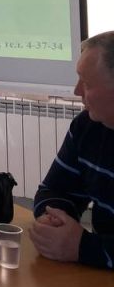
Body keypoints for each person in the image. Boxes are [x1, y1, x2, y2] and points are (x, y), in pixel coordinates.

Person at [29, 31, 114, 270]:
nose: (76, 91)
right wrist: (56, 221)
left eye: (86, 83)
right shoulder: (87, 126)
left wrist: (84, 247)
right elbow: (55, 189)